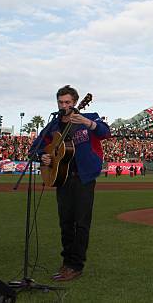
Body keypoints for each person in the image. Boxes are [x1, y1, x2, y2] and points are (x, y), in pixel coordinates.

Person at [31, 85, 110, 282]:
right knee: (65, 222)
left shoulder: (89, 116)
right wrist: (43, 157)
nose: (64, 105)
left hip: (83, 177)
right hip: (62, 177)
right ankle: (66, 262)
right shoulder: (53, 125)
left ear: (75, 103)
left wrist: (88, 122)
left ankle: (76, 265)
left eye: (67, 102)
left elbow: (105, 132)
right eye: (60, 102)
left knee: (81, 223)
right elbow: (35, 148)